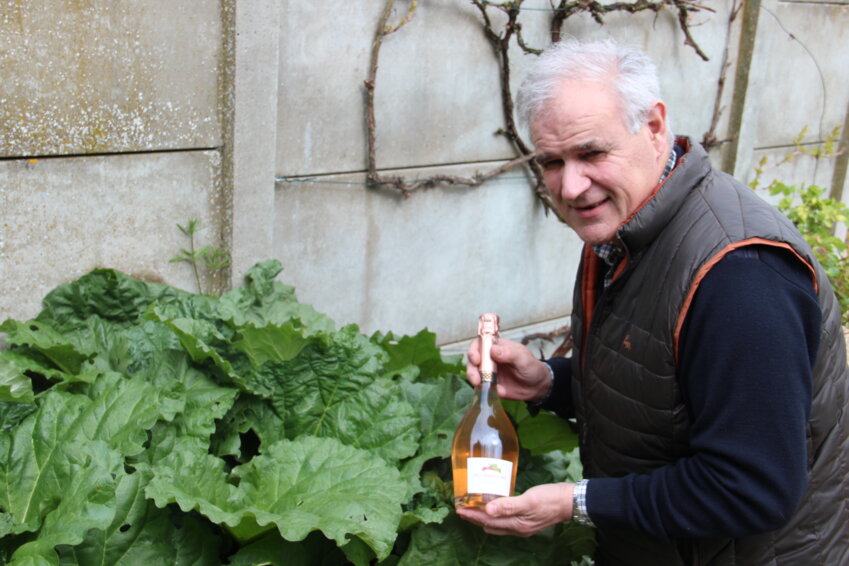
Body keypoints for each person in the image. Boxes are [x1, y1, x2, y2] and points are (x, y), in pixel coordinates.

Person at [456, 38, 849, 565]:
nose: (571, 186)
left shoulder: (739, 276)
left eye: (591, 152)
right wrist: (550, 382)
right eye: (551, 161)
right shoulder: (629, 229)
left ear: (655, 126)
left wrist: (574, 502)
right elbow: (669, 390)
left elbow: (750, 488)